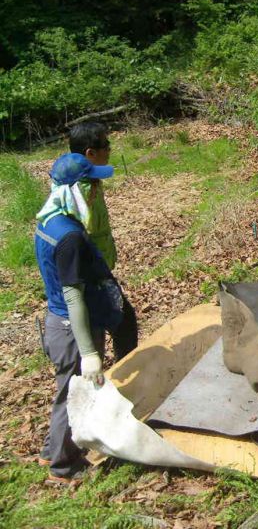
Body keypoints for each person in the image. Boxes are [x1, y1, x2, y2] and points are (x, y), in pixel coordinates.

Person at [34, 152, 127, 484]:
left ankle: (50, 451)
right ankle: (63, 465)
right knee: (75, 394)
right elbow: (73, 295)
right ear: (78, 190)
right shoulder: (70, 237)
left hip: (56, 320)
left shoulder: (50, 221)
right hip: (72, 328)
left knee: (64, 391)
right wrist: (89, 353)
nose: (98, 191)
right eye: (93, 185)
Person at [66, 123, 138, 360]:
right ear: (90, 153)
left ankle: (119, 372)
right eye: (106, 146)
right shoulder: (77, 192)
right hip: (88, 277)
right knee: (102, 337)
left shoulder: (92, 181)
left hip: (100, 271)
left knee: (124, 324)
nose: (110, 150)